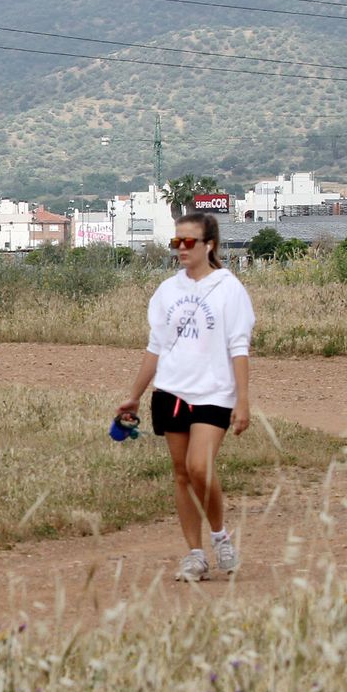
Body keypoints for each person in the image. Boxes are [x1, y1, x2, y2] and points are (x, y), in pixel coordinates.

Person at [117, 212, 254, 582]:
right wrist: (134, 396)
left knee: (199, 467)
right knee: (181, 475)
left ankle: (220, 536)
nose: (181, 248)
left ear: (209, 245)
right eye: (176, 242)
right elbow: (155, 348)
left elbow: (238, 348)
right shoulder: (167, 291)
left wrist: (243, 401)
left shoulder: (229, 288)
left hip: (213, 394)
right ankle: (195, 554)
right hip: (171, 391)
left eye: (188, 242)